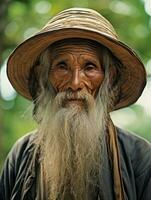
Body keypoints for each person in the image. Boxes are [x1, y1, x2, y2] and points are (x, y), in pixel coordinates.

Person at [0, 7, 151, 200]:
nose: (75, 83)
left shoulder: (140, 158)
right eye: (62, 66)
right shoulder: (21, 155)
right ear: (43, 76)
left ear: (109, 78)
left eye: (90, 67)